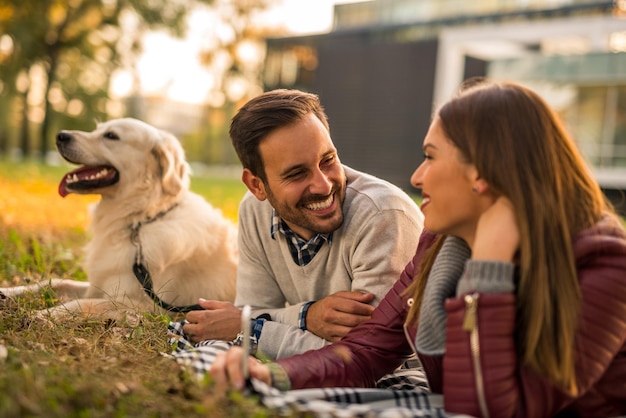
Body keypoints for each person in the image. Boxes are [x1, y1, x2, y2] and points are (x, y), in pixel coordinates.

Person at [210, 80, 626, 417]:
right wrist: (273, 376)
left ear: (481, 173)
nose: (417, 176)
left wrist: (490, 270)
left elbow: (493, 407)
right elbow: (365, 352)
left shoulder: (605, 266)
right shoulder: (442, 246)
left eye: (430, 157)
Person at [174, 89, 424, 362]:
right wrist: (308, 316)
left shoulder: (384, 217)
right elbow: (255, 309)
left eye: (327, 160)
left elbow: (367, 356)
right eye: (297, 174)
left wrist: (250, 330)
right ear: (257, 185)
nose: (324, 185)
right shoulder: (255, 210)